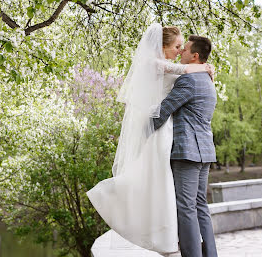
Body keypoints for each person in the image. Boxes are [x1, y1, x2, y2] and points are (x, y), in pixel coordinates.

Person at [86, 23, 213, 254]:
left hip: (175, 138)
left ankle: (177, 243)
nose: (179, 51)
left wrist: (202, 66)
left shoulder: (183, 75)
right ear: (162, 46)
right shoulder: (155, 64)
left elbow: (168, 102)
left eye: (182, 48)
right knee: (187, 201)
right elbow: (182, 73)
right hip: (177, 137)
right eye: (176, 46)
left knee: (180, 200)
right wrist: (205, 67)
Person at [153, 35, 218, 257]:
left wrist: (139, 130)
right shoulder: (208, 79)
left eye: (186, 49)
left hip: (187, 153)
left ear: (195, 56)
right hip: (205, 152)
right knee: (200, 206)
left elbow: (163, 111)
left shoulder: (188, 80)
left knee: (186, 208)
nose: (181, 52)